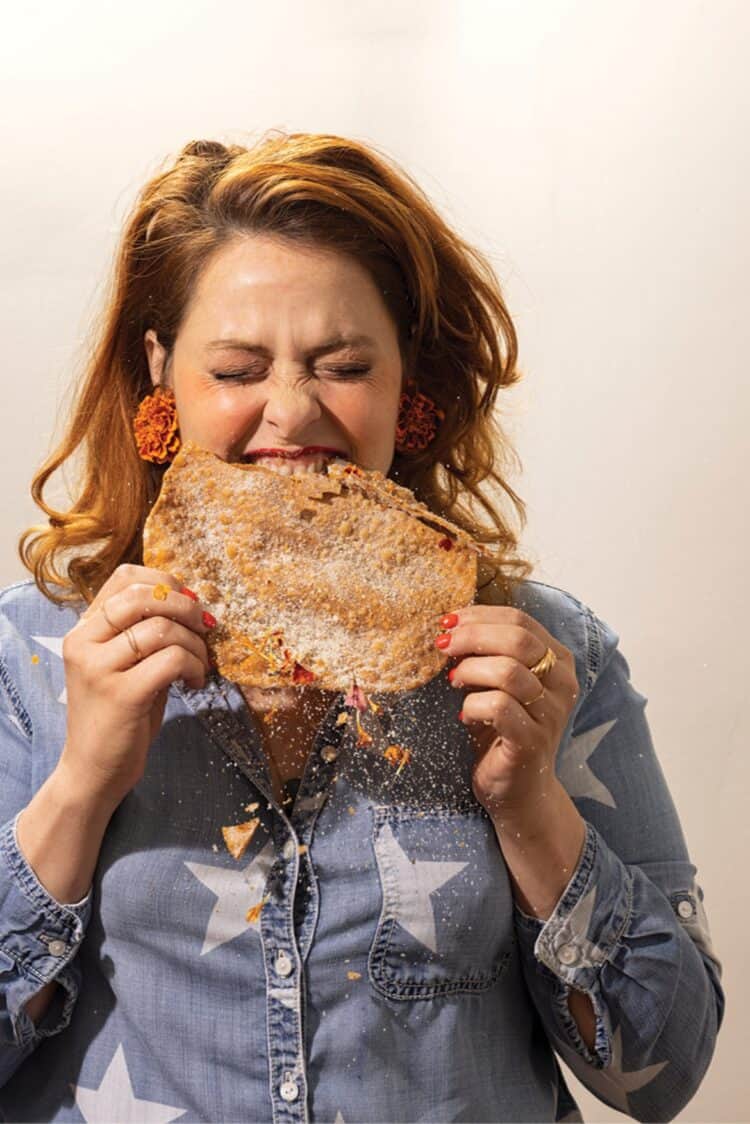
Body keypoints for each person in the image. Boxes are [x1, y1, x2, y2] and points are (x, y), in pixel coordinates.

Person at [0, 132, 722, 1124]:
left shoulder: (545, 656)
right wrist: (79, 789)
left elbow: (665, 1072)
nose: (291, 411)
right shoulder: (29, 659)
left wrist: (532, 808)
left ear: (406, 387)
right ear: (160, 374)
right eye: (237, 366)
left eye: (342, 364)